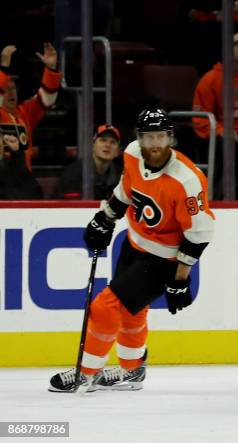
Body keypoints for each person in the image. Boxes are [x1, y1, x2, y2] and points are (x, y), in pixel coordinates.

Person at [48, 108, 215, 392]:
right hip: (134, 244)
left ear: (170, 138)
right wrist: (105, 217)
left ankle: (85, 373)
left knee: (104, 307)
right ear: (139, 138)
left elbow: (199, 233)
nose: (155, 144)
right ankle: (132, 369)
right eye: (149, 138)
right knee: (132, 312)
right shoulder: (133, 153)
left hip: (164, 259)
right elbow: (127, 189)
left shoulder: (187, 179)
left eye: (161, 137)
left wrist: (179, 279)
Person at [192, 24, 238, 196]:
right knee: (226, 147)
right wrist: (221, 130)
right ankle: (218, 200)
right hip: (222, 137)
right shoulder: (211, 79)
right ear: (227, 46)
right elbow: (200, 118)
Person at [0, 43, 62, 171]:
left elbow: (47, 99)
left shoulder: (24, 111)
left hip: (24, 180)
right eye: (6, 90)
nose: (11, 93)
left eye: (13, 89)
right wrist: (3, 67)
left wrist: (51, 69)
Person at [56, 124, 122, 200]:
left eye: (113, 142)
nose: (107, 145)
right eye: (103, 140)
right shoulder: (73, 174)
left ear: (118, 151)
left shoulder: (122, 177)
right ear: (93, 145)